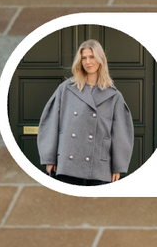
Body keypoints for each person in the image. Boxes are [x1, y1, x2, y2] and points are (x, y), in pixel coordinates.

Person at [38, 38, 134, 185]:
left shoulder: (114, 95)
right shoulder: (66, 89)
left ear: (100, 60)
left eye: (92, 57)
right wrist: (49, 158)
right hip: (68, 159)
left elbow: (121, 133)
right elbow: (50, 123)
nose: (88, 62)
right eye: (84, 58)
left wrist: (118, 166)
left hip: (99, 162)